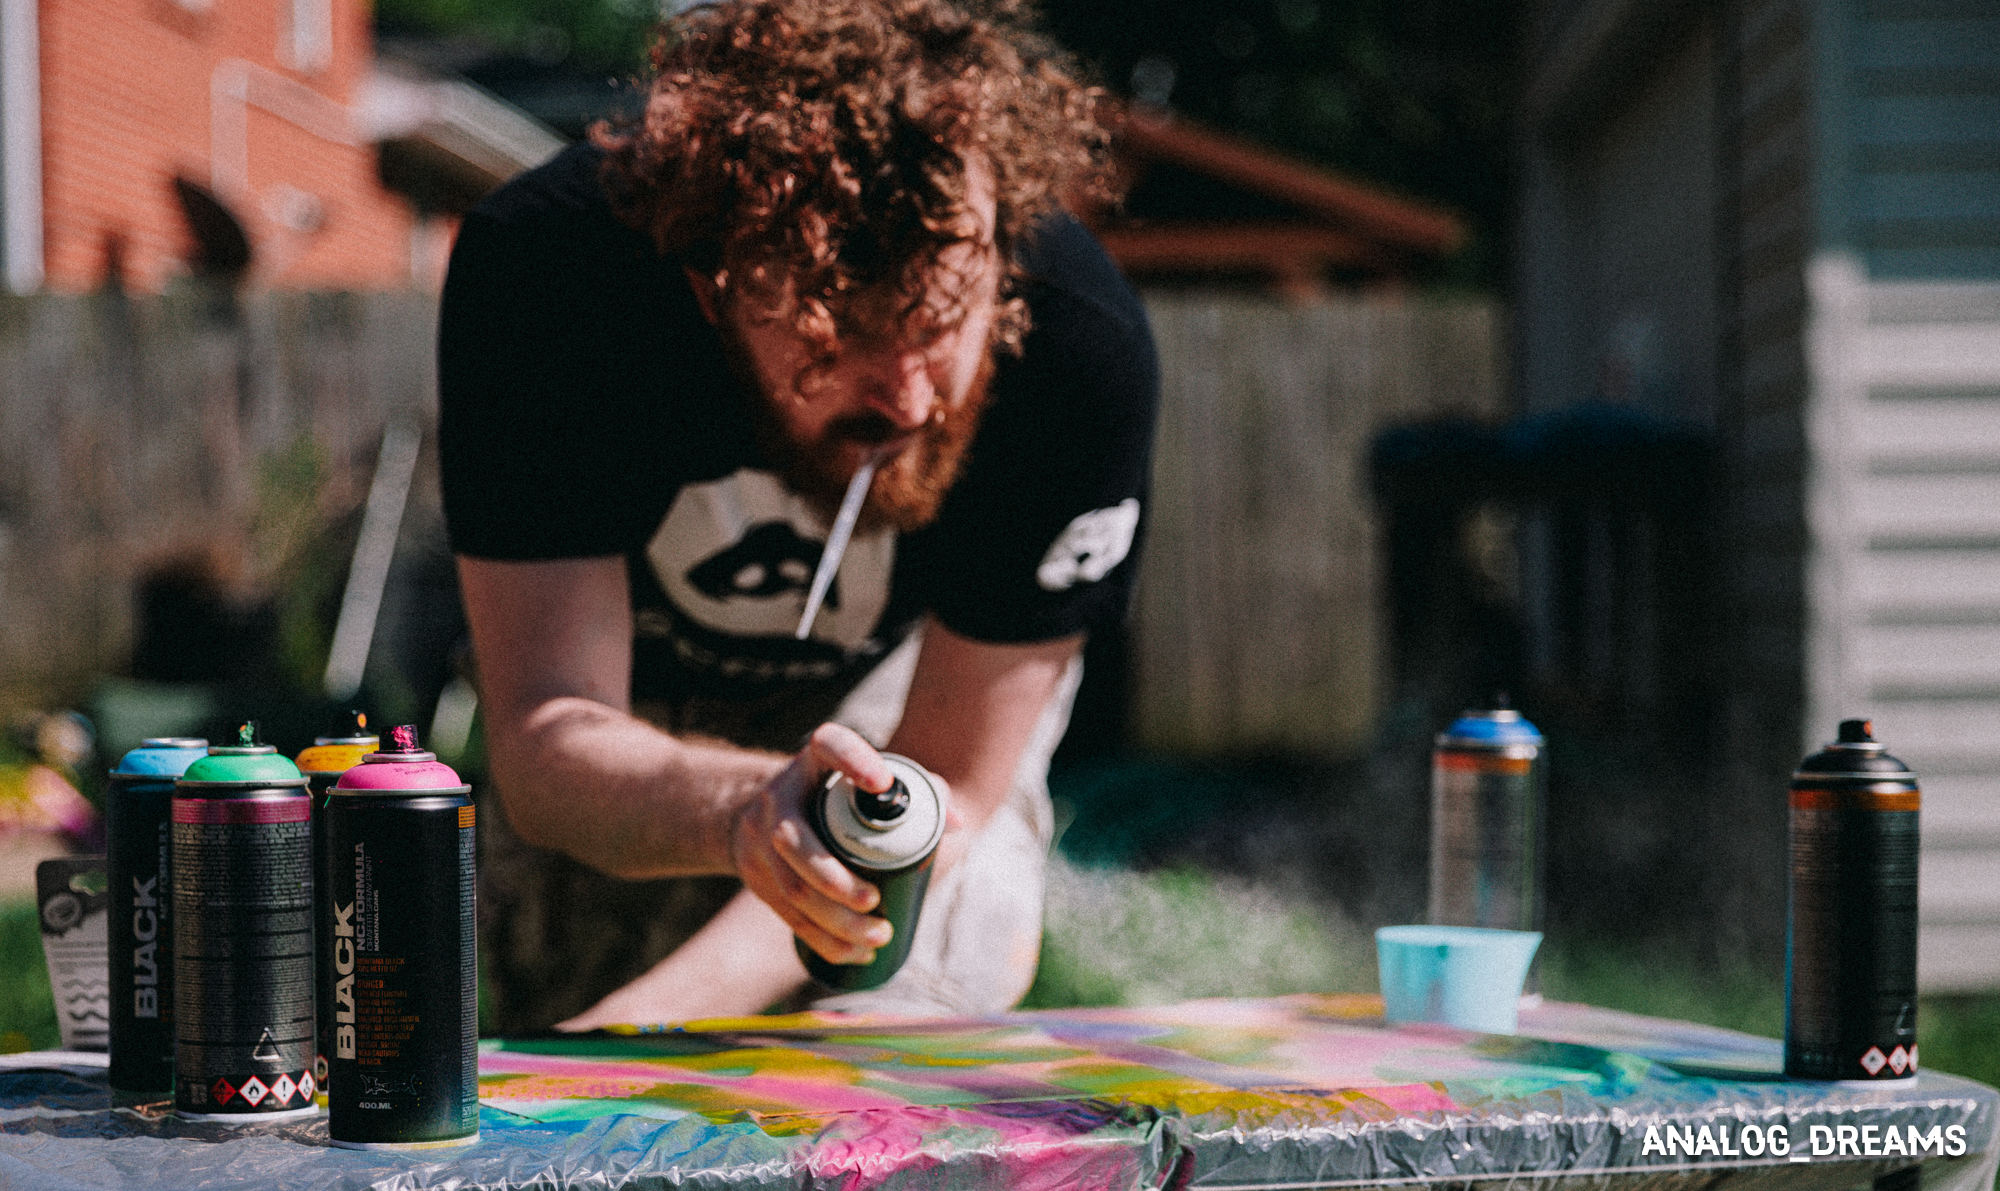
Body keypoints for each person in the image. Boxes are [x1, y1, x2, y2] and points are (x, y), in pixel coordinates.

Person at [437, 0, 1158, 1030]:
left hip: (904, 717)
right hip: (634, 722)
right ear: (711, 285)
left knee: (920, 977)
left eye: (944, 322)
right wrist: (744, 816)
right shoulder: (549, 282)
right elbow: (547, 737)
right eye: (847, 337)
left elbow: (947, 788)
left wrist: (624, 1035)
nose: (910, 397)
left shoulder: (1074, 359)